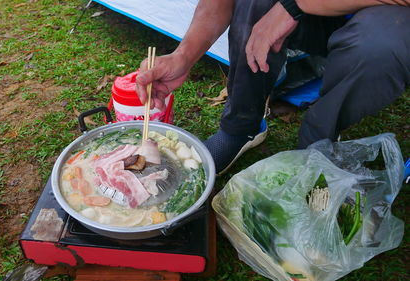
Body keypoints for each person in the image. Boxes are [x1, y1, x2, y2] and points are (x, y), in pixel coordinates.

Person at [135, 0, 410, 174]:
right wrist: (183, 56)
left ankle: (318, 146)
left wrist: (293, 6)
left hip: (389, 16)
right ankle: (240, 128)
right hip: (315, 11)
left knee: (377, 47)